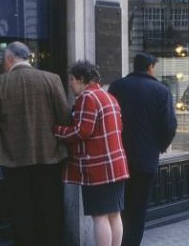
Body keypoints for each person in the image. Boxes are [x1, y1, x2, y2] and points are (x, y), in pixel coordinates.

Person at [0, 42, 69, 246]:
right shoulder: (52, 79)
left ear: (10, 59)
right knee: (49, 209)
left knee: (21, 212)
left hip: (14, 160)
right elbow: (64, 117)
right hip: (50, 157)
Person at [53, 60, 130, 246]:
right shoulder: (108, 97)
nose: (70, 84)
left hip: (98, 169)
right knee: (114, 214)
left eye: (71, 79)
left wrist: (57, 130)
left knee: (99, 217)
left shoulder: (87, 97)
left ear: (80, 79)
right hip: (116, 166)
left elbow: (82, 131)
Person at [108, 53, 177, 246]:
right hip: (146, 159)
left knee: (120, 207)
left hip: (118, 156)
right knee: (138, 209)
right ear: (150, 67)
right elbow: (169, 125)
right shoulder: (161, 90)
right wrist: (160, 146)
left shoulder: (116, 87)